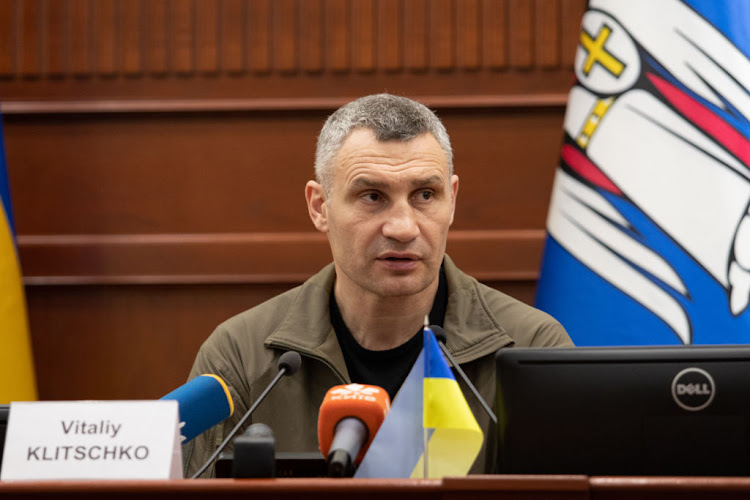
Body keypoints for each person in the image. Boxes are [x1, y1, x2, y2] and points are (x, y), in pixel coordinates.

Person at [183, 94, 573, 478]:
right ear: (320, 207)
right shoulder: (240, 355)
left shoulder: (530, 347)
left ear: (451, 201)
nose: (403, 227)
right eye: (372, 196)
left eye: (425, 195)